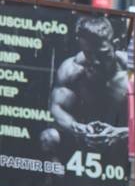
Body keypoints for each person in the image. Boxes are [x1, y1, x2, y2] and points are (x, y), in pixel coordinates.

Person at [42, 16, 128, 159]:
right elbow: (57, 108)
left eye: (102, 54)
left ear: (116, 44)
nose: (95, 61)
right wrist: (78, 128)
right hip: (85, 138)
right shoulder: (72, 69)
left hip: (121, 139)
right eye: (88, 54)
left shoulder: (133, 72)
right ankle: (57, 175)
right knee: (49, 137)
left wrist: (119, 133)